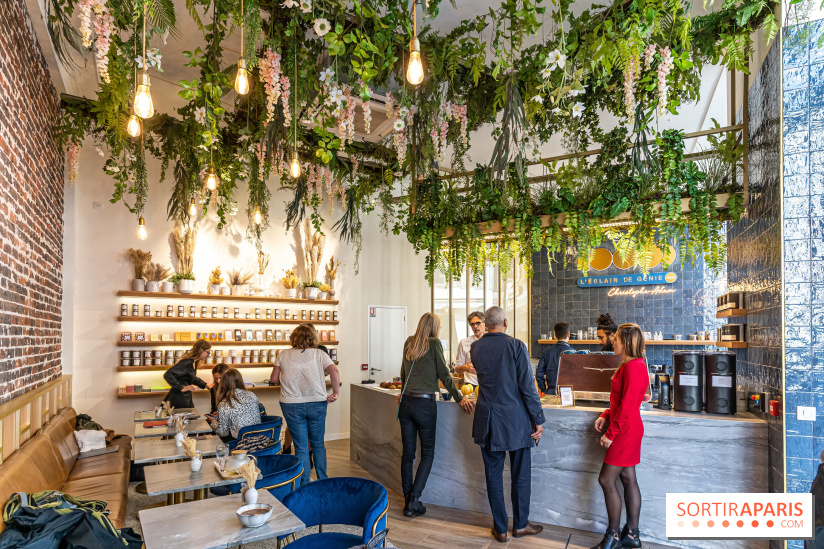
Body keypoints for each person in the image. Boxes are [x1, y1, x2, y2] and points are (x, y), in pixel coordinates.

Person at [470, 306, 545, 543]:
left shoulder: (476, 347)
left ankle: (500, 528)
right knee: (520, 475)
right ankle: (520, 525)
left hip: (487, 420)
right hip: (516, 421)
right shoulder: (516, 346)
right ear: (505, 322)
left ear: (486, 324)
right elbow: (527, 386)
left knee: (493, 476)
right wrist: (538, 419)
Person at [399, 313, 474, 518]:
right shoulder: (434, 344)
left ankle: (407, 500)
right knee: (427, 453)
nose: (439, 331)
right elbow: (444, 375)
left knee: (408, 455)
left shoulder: (409, 342)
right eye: (439, 327)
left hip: (406, 402)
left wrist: (403, 392)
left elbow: (403, 372)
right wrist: (459, 398)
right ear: (434, 328)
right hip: (424, 404)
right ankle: (414, 500)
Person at [592, 323, 648, 549]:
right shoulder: (630, 365)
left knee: (606, 480)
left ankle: (613, 536)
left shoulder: (634, 367)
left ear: (626, 342)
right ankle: (632, 535)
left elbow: (629, 406)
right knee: (627, 478)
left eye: (615, 338)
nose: (612, 341)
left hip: (625, 431)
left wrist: (611, 433)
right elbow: (621, 401)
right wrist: (605, 414)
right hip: (626, 428)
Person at [269, 325, 340, 486]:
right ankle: (322, 481)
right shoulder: (319, 354)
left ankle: (304, 484)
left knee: (300, 447)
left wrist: (289, 379)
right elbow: (334, 371)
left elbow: (273, 379)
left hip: (291, 404)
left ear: (293, 338)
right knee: (318, 444)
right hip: (317, 402)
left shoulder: (283, 354)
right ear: (313, 338)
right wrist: (335, 393)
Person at [209, 368, 261, 443]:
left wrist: (213, 421)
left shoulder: (225, 403)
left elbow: (222, 433)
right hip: (258, 438)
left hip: (239, 442)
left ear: (223, 384)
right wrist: (222, 414)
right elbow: (243, 413)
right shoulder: (252, 395)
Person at [162, 339, 210, 409]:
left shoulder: (193, 362)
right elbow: (168, 374)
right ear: (201, 350)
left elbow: (191, 377)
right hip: (178, 399)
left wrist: (206, 385)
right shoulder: (186, 363)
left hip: (185, 397)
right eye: (208, 352)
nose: (208, 355)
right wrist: (182, 387)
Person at [535, 322, 573, 395]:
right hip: (568, 393)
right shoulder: (574, 353)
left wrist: (544, 390)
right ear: (568, 335)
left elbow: (539, 374)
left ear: (555, 336)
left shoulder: (546, 351)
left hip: (551, 391)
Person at [454, 311, 485, 386]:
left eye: (478, 323)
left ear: (485, 324)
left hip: (489, 385)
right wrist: (464, 367)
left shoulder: (492, 342)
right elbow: (457, 370)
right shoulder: (464, 343)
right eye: (472, 324)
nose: (475, 326)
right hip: (470, 385)